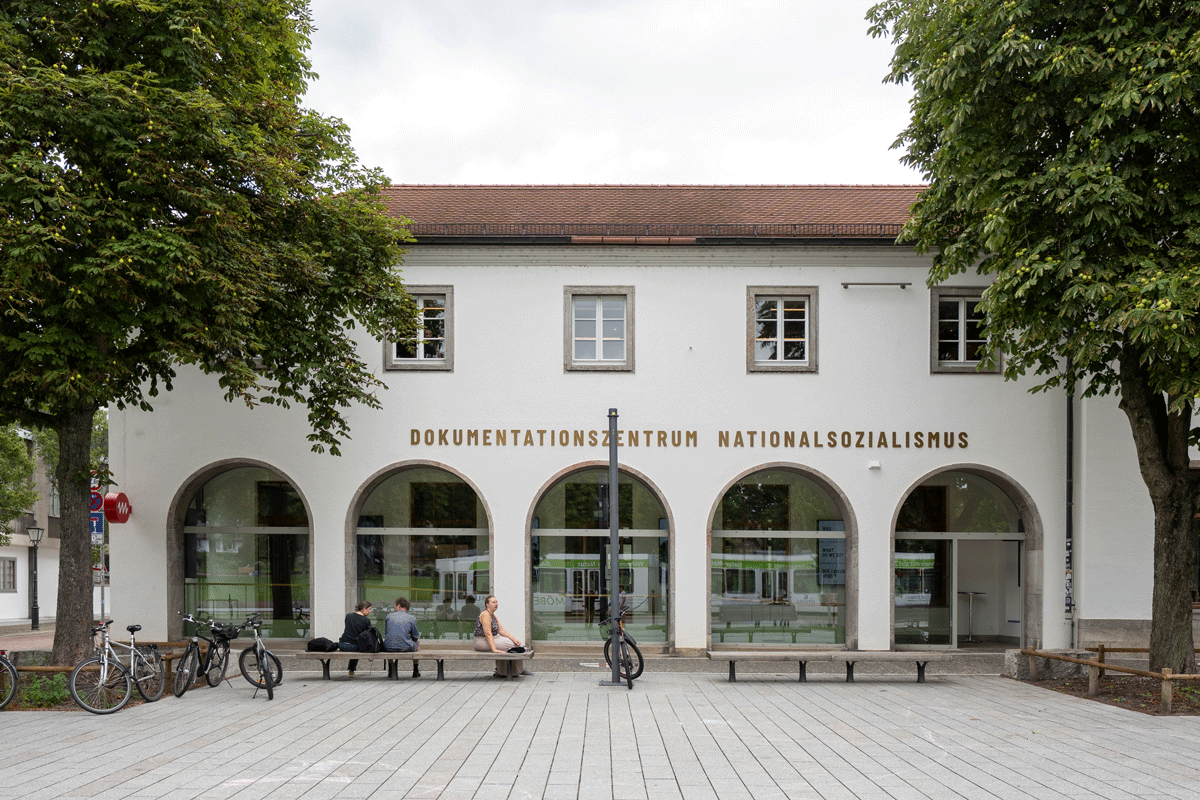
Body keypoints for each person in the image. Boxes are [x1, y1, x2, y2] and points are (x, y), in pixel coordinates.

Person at [473, 595, 533, 678]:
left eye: (496, 602)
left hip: (493, 638)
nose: (496, 604)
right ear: (487, 604)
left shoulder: (492, 615)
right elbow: (488, 633)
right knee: (511, 646)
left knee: (514, 644)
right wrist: (494, 649)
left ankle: (508, 671)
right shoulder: (485, 615)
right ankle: (513, 671)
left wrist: (514, 639)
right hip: (482, 641)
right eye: (493, 602)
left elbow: (502, 631)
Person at [384, 597, 421, 678]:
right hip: (405, 647)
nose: (394, 608)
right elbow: (415, 636)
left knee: (391, 640)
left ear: (399, 605)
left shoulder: (389, 616)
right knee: (417, 641)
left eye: (395, 606)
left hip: (388, 647)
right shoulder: (412, 618)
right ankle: (415, 670)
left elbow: (387, 633)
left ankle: (390, 670)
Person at [338, 600, 373, 677]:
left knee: (356, 644)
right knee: (358, 646)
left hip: (342, 645)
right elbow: (367, 636)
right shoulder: (366, 620)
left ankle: (351, 671)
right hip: (354, 647)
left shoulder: (348, 616)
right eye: (369, 609)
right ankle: (351, 670)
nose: (370, 611)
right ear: (364, 609)